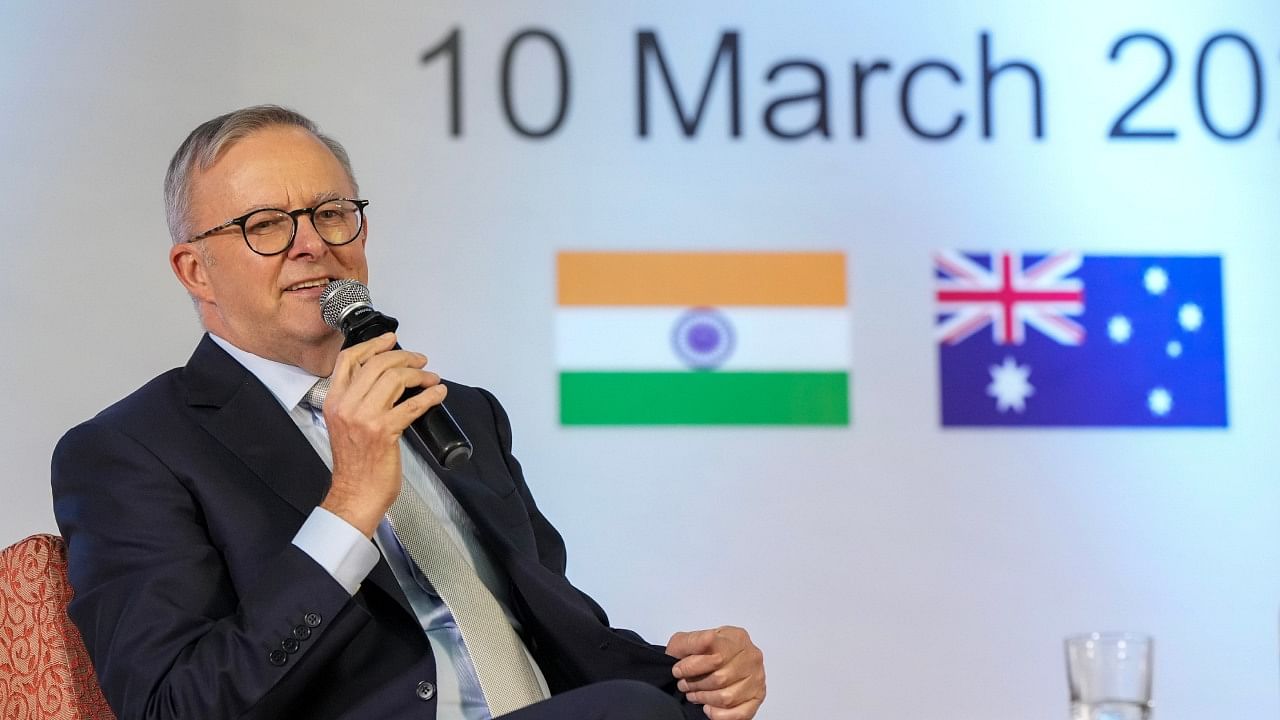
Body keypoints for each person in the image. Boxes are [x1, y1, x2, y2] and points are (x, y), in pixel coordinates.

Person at [51, 105, 766, 720]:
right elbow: (175, 705)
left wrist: (695, 677)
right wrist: (350, 505)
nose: (312, 244)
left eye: (331, 214)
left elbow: (554, 632)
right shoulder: (130, 451)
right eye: (266, 224)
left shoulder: (458, 414)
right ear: (195, 270)